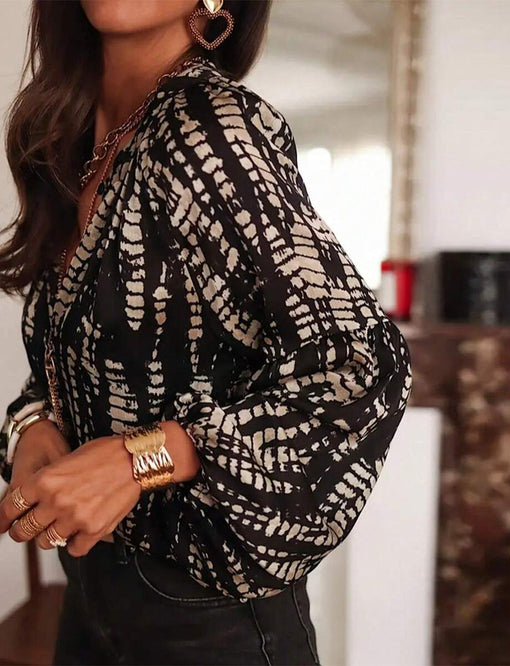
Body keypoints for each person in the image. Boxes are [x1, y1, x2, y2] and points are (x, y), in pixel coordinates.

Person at [0, 1, 412, 664]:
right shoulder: (70, 133)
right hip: (91, 596)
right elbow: (77, 357)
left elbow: (359, 365)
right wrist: (36, 426)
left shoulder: (212, 129)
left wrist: (140, 457)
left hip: (208, 616)